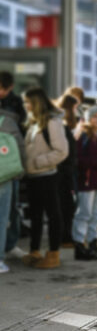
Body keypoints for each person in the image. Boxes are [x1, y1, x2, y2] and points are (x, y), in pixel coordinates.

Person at [21, 87, 67, 269]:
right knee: (36, 216)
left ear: (37, 103)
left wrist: (39, 162)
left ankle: (53, 254)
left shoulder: (52, 122)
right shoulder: (33, 122)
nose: (26, 105)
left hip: (47, 176)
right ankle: (34, 251)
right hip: (33, 176)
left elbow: (62, 151)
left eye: (28, 102)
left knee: (53, 215)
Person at [72, 106, 97, 260]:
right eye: (95, 116)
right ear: (88, 118)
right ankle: (79, 244)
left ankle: (92, 241)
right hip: (87, 181)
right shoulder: (83, 135)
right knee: (84, 212)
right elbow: (78, 159)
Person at [1, 71, 26, 259]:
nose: (1, 92)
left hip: (9, 162)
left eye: (4, 89)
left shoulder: (16, 102)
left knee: (12, 208)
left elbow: (22, 134)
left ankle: (10, 244)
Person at [0, 108, 25, 273]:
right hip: (4, 176)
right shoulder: (7, 121)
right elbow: (19, 148)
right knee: (2, 219)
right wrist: (20, 170)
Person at [56, 95, 80, 248]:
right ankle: (65, 237)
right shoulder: (65, 123)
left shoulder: (59, 121)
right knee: (67, 205)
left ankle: (64, 235)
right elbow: (69, 148)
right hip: (65, 170)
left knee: (63, 204)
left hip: (61, 169)